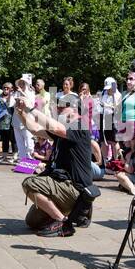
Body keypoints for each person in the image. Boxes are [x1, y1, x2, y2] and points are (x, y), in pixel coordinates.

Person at [16, 100, 95, 236]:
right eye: (58, 106)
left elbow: (55, 127)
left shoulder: (79, 127)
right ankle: (72, 214)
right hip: (61, 184)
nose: (58, 109)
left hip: (74, 187)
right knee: (32, 222)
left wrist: (30, 108)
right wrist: (21, 113)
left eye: (63, 107)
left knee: (29, 184)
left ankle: (63, 223)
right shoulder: (62, 132)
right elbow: (35, 129)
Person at [98, 76, 121, 166]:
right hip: (104, 118)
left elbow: (117, 109)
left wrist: (108, 106)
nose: (108, 90)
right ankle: (104, 162)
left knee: (114, 141)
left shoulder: (118, 95)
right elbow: (101, 106)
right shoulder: (105, 94)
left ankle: (116, 162)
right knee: (104, 141)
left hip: (114, 119)